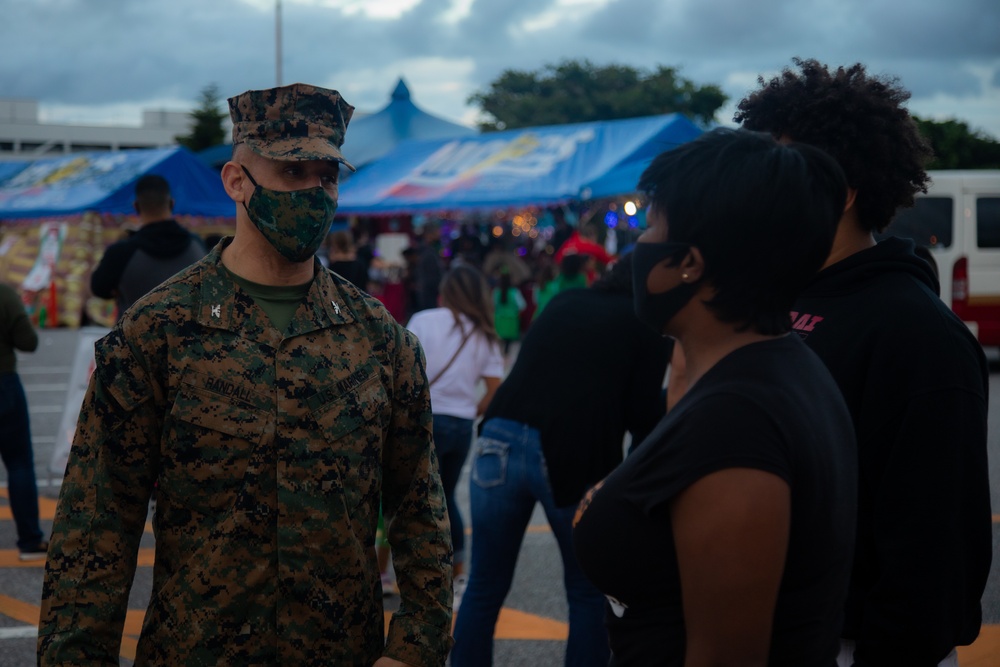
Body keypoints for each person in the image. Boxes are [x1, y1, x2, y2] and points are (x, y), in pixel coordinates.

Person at [38, 83, 453, 667]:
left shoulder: (380, 340)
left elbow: (420, 508)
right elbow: (96, 522)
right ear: (236, 181)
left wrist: (416, 649)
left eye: (325, 176)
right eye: (291, 174)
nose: (312, 192)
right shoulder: (158, 332)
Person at [736, 59, 992, 667]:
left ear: (842, 192)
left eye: (776, 173)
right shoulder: (774, 298)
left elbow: (934, 562)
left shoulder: (919, 334)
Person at [572, 128, 857, 666]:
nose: (638, 247)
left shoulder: (737, 425)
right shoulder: (775, 368)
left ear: (689, 263)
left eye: (652, 223)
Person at [451, 252, 672, 667]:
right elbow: (642, 416)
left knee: (483, 584)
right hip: (570, 453)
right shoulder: (645, 324)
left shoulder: (565, 302)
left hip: (497, 437)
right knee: (586, 590)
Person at [405, 265, 504, 601]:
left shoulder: (423, 319)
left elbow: (404, 369)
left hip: (423, 421)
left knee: (414, 497)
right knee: (448, 497)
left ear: (445, 292)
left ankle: (414, 574)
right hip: (460, 427)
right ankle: (459, 576)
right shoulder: (485, 333)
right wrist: (468, 410)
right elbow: (493, 391)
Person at [90, 174, 207, 318]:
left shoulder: (121, 253)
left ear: (136, 206)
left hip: (137, 338)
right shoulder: (197, 246)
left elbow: (99, 288)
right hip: (189, 338)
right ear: (171, 204)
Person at [0, 281, 47, 560]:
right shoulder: (5, 294)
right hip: (3, 384)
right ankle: (29, 540)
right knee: (18, 464)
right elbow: (28, 342)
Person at [491, 269, 525, 356]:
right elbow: (522, 305)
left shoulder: (496, 292)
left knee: (499, 347)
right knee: (508, 348)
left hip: (499, 322)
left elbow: (492, 306)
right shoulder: (514, 292)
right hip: (511, 322)